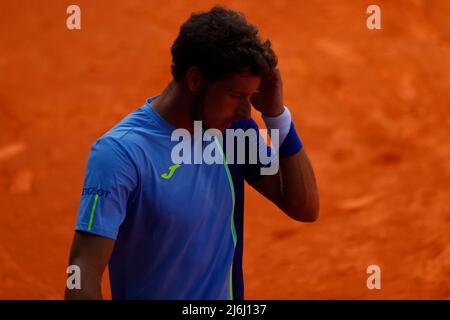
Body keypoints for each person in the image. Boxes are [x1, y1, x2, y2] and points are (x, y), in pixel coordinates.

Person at [65, 5, 319, 300]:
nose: (246, 110)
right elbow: (82, 271)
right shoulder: (120, 154)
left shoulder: (233, 132)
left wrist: (276, 115)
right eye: (237, 95)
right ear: (195, 79)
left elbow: (305, 208)